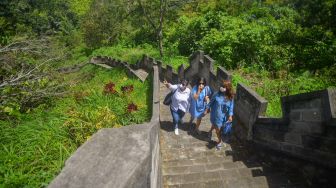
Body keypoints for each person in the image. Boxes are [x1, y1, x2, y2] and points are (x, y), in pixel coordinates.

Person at [206, 80, 234, 150]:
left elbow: (231, 107)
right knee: (218, 129)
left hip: (224, 117)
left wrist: (230, 115)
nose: (222, 88)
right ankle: (219, 141)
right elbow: (211, 102)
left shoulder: (230, 97)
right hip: (215, 115)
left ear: (228, 88)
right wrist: (207, 108)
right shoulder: (216, 94)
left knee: (216, 126)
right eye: (222, 86)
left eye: (224, 87)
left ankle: (210, 131)